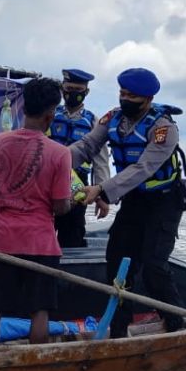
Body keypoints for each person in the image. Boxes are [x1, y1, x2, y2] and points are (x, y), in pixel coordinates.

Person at [68, 68, 186, 336]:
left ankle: (177, 324)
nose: (124, 99)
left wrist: (100, 189)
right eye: (122, 93)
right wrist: (56, 159)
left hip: (164, 202)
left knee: (154, 266)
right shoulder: (112, 119)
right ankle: (120, 329)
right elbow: (87, 146)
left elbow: (142, 169)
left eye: (131, 96)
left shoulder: (163, 128)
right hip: (134, 201)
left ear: (148, 98)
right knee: (117, 263)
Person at [0, 77, 73, 346]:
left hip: (2, 238)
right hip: (41, 242)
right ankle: (36, 370)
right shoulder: (60, 153)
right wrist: (73, 200)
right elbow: (60, 206)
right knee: (39, 311)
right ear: (51, 114)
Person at [47, 68, 112, 248]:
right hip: (47, 181)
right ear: (62, 88)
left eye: (78, 90)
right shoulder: (49, 115)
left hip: (77, 185)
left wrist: (102, 196)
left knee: (72, 235)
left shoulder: (94, 122)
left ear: (86, 92)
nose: (73, 94)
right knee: (43, 231)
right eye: (69, 89)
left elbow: (101, 162)